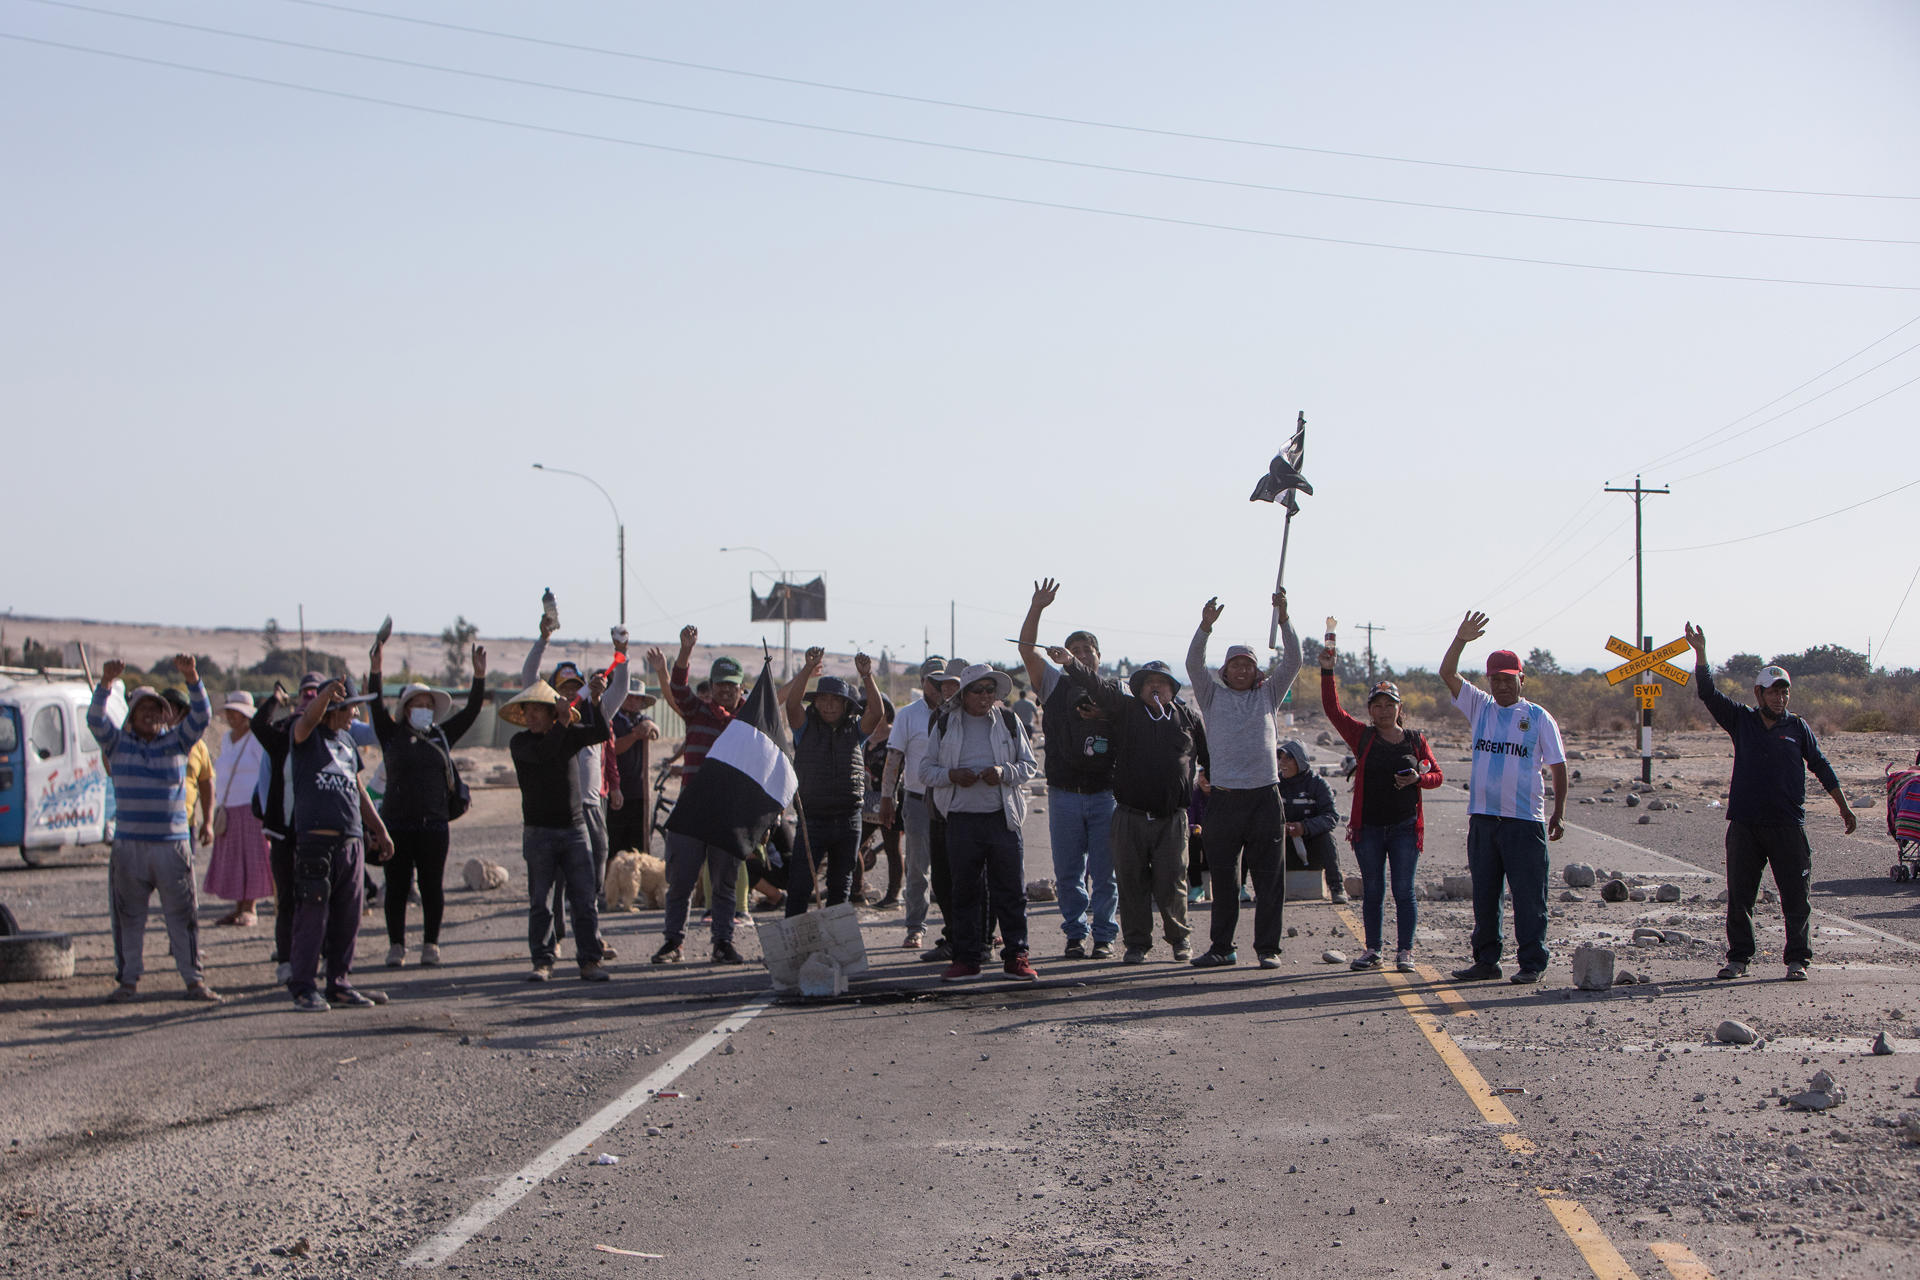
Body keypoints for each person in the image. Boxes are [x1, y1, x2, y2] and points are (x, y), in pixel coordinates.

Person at [1684, 625, 1856, 982]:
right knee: (1740, 898)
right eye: (1774, 693)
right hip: (1745, 825)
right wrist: (1701, 655)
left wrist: (1844, 806)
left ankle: (1797, 959)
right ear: (1758, 693)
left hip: (1787, 826)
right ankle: (1739, 958)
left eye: (1785, 693)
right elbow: (1709, 693)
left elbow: (1820, 765)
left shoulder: (1797, 727)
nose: (1780, 699)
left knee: (1796, 898)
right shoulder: (1741, 721)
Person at [1439, 612, 1567, 985]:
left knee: (1529, 897)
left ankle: (1531, 962)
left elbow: (1557, 766)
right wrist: (1460, 640)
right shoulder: (1480, 707)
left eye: (1508, 679)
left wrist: (1558, 812)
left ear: (1521, 679)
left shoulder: (1539, 717)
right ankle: (1486, 961)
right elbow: (1448, 673)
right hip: (1483, 819)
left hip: (1524, 822)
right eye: (1495, 679)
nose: (1501, 686)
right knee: (1485, 896)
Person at [1055, 653, 1207, 965]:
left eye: (1162, 684)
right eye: (1149, 683)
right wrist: (1071, 663)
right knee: (1130, 881)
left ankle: (1180, 940)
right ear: (1137, 689)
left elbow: (1209, 755)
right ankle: (1136, 944)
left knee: (1173, 881)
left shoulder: (1187, 717)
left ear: (1172, 689)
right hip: (1129, 815)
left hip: (1172, 817)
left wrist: (1211, 783)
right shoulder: (1125, 711)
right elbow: (1097, 686)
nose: (1155, 688)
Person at [87, 656, 222, 1004]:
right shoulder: (116, 745)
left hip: (172, 846)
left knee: (182, 916)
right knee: (128, 917)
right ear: (131, 715)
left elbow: (203, 715)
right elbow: (94, 718)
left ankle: (194, 981)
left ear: (165, 715)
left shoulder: (178, 743)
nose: (149, 713)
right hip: (129, 847)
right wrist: (105, 683)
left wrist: (192, 677)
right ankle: (128, 981)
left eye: (155, 709)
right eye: (142, 708)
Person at [1183, 590, 1301, 968]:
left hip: (1265, 798)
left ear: (1256, 671)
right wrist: (1205, 627)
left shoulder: (1268, 695)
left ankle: (1268, 949)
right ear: (1225, 670)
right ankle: (1222, 948)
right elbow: (1192, 663)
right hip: (1224, 799)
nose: (1241, 670)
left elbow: (1294, 660)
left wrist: (1284, 619)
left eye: (1247, 664)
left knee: (1270, 880)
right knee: (1224, 878)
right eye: (1235, 664)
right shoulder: (1211, 696)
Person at [367, 637, 488, 968]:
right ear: (405, 709)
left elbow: (473, 710)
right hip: (395, 824)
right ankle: (396, 946)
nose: (423, 709)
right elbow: (375, 705)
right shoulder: (390, 735)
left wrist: (479, 677)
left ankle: (430, 944)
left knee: (432, 886)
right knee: (396, 888)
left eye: (427, 704)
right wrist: (376, 669)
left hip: (434, 825)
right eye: (417, 704)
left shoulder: (442, 736)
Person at [1320, 658, 1443, 973]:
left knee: (1404, 889)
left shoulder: (1416, 740)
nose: (1384, 710)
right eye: (1378, 705)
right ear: (1370, 710)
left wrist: (1419, 779)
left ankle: (1405, 952)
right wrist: (1327, 671)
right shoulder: (1362, 737)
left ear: (1400, 709)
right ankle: (1373, 949)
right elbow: (1333, 710)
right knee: (1373, 890)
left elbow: (1437, 776)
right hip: (1369, 829)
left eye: (1391, 704)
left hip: (1405, 828)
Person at [919, 664, 1040, 982]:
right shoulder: (946, 724)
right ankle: (967, 959)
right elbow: (925, 770)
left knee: (1011, 892)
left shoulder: (1010, 722)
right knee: (964, 892)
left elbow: (1028, 766)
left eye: (991, 690)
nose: (986, 696)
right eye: (979, 690)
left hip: (1003, 820)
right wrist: (952, 776)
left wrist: (1003, 773)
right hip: (960, 821)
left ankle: (1016, 957)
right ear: (965, 695)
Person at [1018, 579, 1119, 959]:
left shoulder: (1113, 690)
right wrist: (1037, 608)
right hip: (1063, 795)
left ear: (1097, 656)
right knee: (1068, 873)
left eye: (1085, 650)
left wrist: (1105, 714)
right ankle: (1076, 933)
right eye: (1072, 649)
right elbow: (1027, 650)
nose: (1078, 654)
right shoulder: (1054, 685)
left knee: (1105, 873)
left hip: (1105, 796)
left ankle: (1105, 935)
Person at [286, 675, 394, 1011]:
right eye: (347, 709)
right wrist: (325, 695)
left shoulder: (347, 741)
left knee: (349, 916)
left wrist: (379, 829)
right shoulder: (305, 735)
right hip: (317, 844)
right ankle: (304, 986)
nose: (353, 715)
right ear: (331, 710)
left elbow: (358, 787)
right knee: (312, 916)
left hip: (351, 841)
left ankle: (339, 982)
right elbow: (307, 720)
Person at [502, 672, 613, 981]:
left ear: (553, 712)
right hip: (538, 833)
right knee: (541, 902)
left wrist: (596, 699)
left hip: (575, 830)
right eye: (528, 710)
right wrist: (563, 724)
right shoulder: (520, 743)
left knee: (584, 899)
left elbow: (602, 732)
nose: (532, 715)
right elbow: (544, 753)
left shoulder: (568, 733)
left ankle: (590, 960)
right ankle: (543, 960)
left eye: (539, 709)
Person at [646, 628, 747, 965]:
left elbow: (777, 706)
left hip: (729, 811)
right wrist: (684, 652)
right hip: (691, 808)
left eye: (732, 684)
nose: (726, 689)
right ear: (713, 686)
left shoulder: (749, 721)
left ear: (740, 686)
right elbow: (677, 688)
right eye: (720, 684)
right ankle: (673, 942)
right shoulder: (696, 711)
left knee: (723, 883)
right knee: (681, 881)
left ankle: (723, 942)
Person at [520, 617, 631, 899]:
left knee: (597, 862)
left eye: (575, 686)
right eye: (563, 687)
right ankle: (559, 922)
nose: (570, 692)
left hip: (592, 803)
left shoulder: (596, 710)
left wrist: (622, 654)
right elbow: (529, 677)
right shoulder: (548, 719)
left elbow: (620, 689)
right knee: (555, 877)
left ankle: (589, 915)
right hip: (559, 808)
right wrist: (543, 639)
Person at [783, 648, 886, 913]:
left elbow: (876, 710)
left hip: (848, 820)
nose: (829, 704)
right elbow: (792, 704)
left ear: (845, 705)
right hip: (812, 819)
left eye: (835, 700)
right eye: (823, 699)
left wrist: (867, 676)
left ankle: (835, 950)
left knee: (841, 887)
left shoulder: (856, 730)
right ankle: (796, 950)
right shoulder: (803, 726)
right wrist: (808, 668)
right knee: (799, 885)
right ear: (815, 702)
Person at [878, 656, 965, 955]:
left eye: (944, 680)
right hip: (918, 801)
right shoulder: (908, 715)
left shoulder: (960, 711)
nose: (939, 686)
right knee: (918, 868)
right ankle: (915, 927)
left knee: (960, 867)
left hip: (956, 801)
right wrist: (886, 799)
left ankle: (965, 930)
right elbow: (894, 759)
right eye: (933, 680)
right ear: (923, 683)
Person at [204, 691, 271, 927]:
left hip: (250, 809)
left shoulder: (255, 740)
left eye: (236, 713)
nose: (232, 717)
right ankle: (237, 907)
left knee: (251, 858)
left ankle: (250, 907)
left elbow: (266, 772)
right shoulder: (225, 739)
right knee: (233, 858)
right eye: (230, 712)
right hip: (229, 808)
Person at [1277, 740, 1341, 955]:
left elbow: (1331, 817)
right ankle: (1262, 888)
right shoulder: (1275, 784)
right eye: (1281, 758)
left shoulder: (1317, 784)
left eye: (1288, 758)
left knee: (1327, 839)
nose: (1282, 763)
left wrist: (1304, 827)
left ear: (1300, 761)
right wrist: (1281, 827)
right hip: (1283, 840)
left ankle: (1336, 887)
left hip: (1311, 841)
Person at [855, 695, 903, 908]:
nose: (870, 712)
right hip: (864, 801)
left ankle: (893, 896)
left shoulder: (896, 734)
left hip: (889, 800)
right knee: (853, 845)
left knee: (893, 849)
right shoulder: (863, 735)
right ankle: (857, 891)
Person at [606, 682, 662, 858]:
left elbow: (655, 731)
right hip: (616, 791)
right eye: (629, 696)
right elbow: (612, 749)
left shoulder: (641, 719)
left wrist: (649, 727)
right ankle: (612, 883)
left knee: (638, 846)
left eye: (637, 698)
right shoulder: (612, 720)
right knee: (615, 845)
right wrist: (635, 735)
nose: (633, 701)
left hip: (639, 793)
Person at [162, 686, 217, 852]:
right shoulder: (153, 743)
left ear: (183, 713)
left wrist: (208, 822)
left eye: (171, 709)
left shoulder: (199, 747)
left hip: (186, 823)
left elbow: (206, 784)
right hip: (157, 825)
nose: (166, 714)